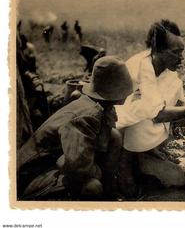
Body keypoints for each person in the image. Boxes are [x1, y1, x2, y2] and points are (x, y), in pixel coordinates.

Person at [115, 19, 185, 199]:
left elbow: (178, 108)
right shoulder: (142, 66)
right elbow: (159, 114)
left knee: (177, 178)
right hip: (122, 128)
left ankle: (146, 154)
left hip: (143, 126)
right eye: (176, 53)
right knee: (130, 188)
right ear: (157, 50)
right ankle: (125, 165)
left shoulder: (168, 73)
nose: (181, 58)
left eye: (182, 52)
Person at [17, 56, 133, 200]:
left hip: (54, 163)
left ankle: (109, 195)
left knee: (114, 136)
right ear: (115, 91)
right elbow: (78, 170)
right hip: (31, 176)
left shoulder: (98, 106)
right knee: (91, 186)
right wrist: (97, 170)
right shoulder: (86, 117)